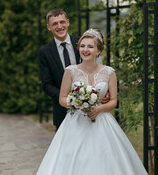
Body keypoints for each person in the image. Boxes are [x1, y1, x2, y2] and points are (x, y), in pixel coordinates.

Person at [36, 28, 148, 175]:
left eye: (90, 46)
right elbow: (62, 99)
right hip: (75, 122)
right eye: (82, 46)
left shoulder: (109, 72)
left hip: (102, 121)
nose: (85, 50)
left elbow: (113, 101)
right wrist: (76, 103)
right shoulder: (70, 71)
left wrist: (99, 109)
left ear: (98, 51)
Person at [39, 9, 110, 131]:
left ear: (68, 22)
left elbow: (97, 70)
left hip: (91, 110)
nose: (59, 26)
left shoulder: (82, 44)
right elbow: (47, 84)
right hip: (62, 112)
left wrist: (103, 93)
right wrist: (71, 99)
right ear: (49, 27)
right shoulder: (45, 52)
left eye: (62, 22)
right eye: (54, 24)